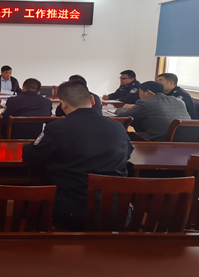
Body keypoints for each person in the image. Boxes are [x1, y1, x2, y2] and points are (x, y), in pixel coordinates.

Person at [22, 80, 133, 231]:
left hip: (74, 213)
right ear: (92, 100)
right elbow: (127, 154)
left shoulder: (57, 128)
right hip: (117, 212)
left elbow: (31, 157)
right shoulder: (118, 127)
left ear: (63, 104)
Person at [115, 81, 191, 141]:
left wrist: (124, 108)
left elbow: (123, 116)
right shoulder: (179, 101)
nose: (139, 96)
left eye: (140, 93)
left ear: (148, 92)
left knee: (122, 135)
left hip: (157, 138)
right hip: (183, 138)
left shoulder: (145, 103)